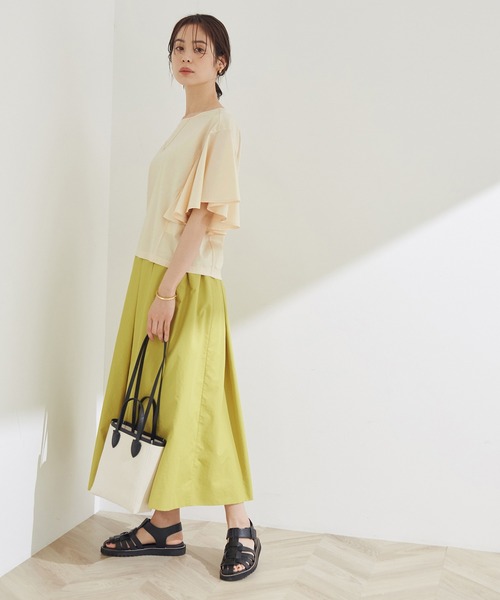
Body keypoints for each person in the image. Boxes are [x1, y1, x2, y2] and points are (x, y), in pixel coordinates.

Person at [88, 13, 260, 582]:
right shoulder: (185, 126)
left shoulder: (220, 125)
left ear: (221, 62)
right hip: (154, 273)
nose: (185, 56)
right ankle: (165, 525)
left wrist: (167, 290)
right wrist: (155, 285)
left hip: (185, 281)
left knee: (201, 401)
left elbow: (203, 216)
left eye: (199, 49)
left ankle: (241, 525)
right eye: (178, 47)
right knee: (161, 400)